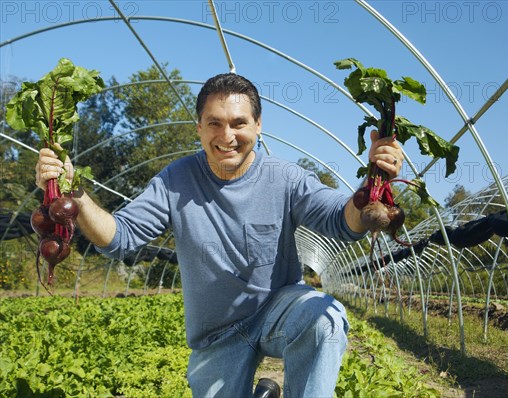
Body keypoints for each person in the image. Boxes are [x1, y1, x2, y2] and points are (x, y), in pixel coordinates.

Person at [36, 73, 404, 398]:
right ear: (198, 127)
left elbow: (341, 221)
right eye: (214, 123)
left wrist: (373, 181)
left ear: (259, 125)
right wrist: (76, 195)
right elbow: (121, 238)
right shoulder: (175, 181)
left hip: (277, 312)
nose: (227, 136)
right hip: (216, 332)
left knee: (325, 319)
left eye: (239, 123)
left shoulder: (285, 178)